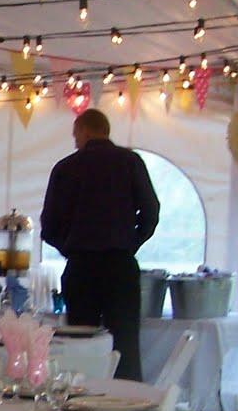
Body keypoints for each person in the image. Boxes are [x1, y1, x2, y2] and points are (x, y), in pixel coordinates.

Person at [40, 108, 160, 381]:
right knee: (126, 342)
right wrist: (131, 243)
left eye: (75, 135)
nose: (75, 142)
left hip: (82, 267)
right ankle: (129, 401)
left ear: (84, 131)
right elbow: (151, 212)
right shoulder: (131, 162)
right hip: (121, 265)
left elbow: (48, 226)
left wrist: (69, 247)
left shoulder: (66, 168)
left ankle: (81, 399)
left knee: (82, 343)